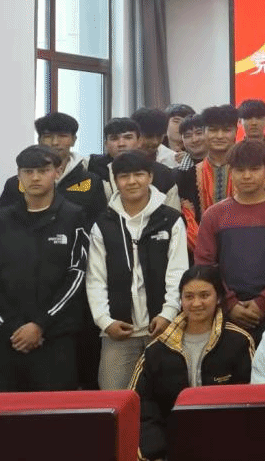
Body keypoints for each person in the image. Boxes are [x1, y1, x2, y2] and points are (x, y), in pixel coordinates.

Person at [0, 145, 89, 391]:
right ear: (19, 175)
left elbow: (77, 275)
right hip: (6, 337)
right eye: (28, 171)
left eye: (43, 170)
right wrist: (14, 326)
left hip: (55, 337)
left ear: (57, 172)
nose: (35, 177)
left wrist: (40, 324)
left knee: (54, 413)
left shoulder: (73, 217)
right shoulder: (2, 218)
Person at [86, 150, 188, 391]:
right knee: (113, 398)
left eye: (139, 175)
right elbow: (95, 279)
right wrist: (105, 321)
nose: (132, 181)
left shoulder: (171, 220)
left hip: (163, 328)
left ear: (150, 177)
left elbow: (178, 272)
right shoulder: (103, 224)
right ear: (115, 181)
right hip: (118, 331)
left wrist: (168, 314)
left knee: (168, 397)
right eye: (124, 176)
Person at [131, 265, 254, 461]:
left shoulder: (239, 342)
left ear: (218, 297)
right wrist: (156, 453)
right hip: (170, 451)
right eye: (188, 296)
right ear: (180, 300)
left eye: (204, 295)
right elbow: (140, 408)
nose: (196, 303)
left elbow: (251, 404)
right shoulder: (156, 351)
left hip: (227, 448)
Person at [194, 139, 265, 340]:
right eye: (240, 170)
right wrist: (229, 303)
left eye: (254, 169)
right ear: (231, 172)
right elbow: (204, 264)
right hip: (226, 313)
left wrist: (264, 302)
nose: (247, 176)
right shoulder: (214, 215)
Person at [0, 112, 108, 229]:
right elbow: (0, 223)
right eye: (48, 136)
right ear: (39, 140)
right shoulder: (17, 183)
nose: (55, 142)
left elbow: (99, 226)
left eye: (62, 136)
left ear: (73, 140)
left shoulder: (90, 182)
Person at [91, 118, 181, 211]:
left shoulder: (162, 173)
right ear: (106, 144)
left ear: (139, 141)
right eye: (114, 139)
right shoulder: (93, 168)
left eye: (128, 138)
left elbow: (173, 212)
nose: (121, 144)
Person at [176, 104, 240, 217]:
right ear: (204, 132)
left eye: (226, 130)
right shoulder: (186, 176)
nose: (219, 136)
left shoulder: (248, 172)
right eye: (213, 130)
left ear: (236, 132)